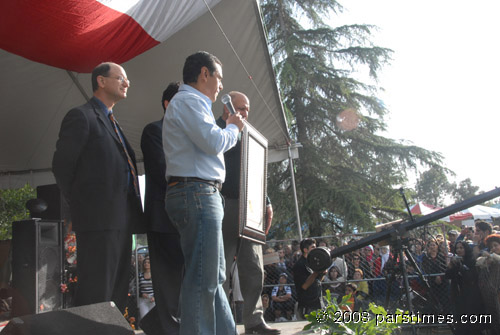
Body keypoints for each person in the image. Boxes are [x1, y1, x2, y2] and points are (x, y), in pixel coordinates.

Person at [162, 51, 244, 335]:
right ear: (204, 74)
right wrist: (233, 128)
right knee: (203, 279)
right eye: (219, 77)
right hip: (197, 193)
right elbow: (212, 141)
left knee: (214, 276)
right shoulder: (189, 101)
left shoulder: (190, 103)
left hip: (198, 193)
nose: (221, 85)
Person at [52, 62, 144, 312]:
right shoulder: (81, 116)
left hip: (123, 220)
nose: (127, 83)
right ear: (101, 81)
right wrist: (83, 204)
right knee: (97, 291)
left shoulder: (113, 121)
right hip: (97, 220)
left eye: (127, 79)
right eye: (121, 78)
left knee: (117, 289)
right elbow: (62, 166)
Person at [217, 91, 280, 334]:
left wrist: (266, 202)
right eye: (240, 107)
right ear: (226, 108)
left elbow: (255, 172)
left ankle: (254, 321)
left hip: (251, 208)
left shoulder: (250, 135)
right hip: (224, 204)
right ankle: (222, 323)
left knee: (254, 266)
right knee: (220, 269)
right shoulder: (215, 131)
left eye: (247, 110)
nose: (244, 113)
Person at [140, 82, 183, 334]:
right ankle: (168, 329)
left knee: (184, 278)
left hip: (188, 216)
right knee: (167, 279)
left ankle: (155, 323)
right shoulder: (154, 131)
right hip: (164, 216)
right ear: (168, 104)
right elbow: (161, 171)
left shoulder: (190, 132)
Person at [445, 241, 485, 335]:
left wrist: (461, 267)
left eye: (461, 248)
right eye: (457, 248)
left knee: (474, 324)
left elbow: (470, 277)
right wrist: (451, 266)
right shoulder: (456, 261)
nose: (459, 250)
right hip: (459, 297)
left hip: (472, 297)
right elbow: (448, 276)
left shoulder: (472, 261)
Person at [292, 238, 326, 319]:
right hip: (307, 306)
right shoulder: (299, 265)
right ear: (305, 250)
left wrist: (322, 273)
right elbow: (304, 286)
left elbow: (317, 281)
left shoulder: (312, 262)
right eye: (313, 247)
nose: (316, 249)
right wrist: (316, 272)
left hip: (318, 302)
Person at [476, 234, 500, 335]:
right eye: (491, 247)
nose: (494, 248)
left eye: (496, 245)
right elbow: (478, 263)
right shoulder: (489, 260)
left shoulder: (495, 258)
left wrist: (490, 256)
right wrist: (487, 259)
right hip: (492, 296)